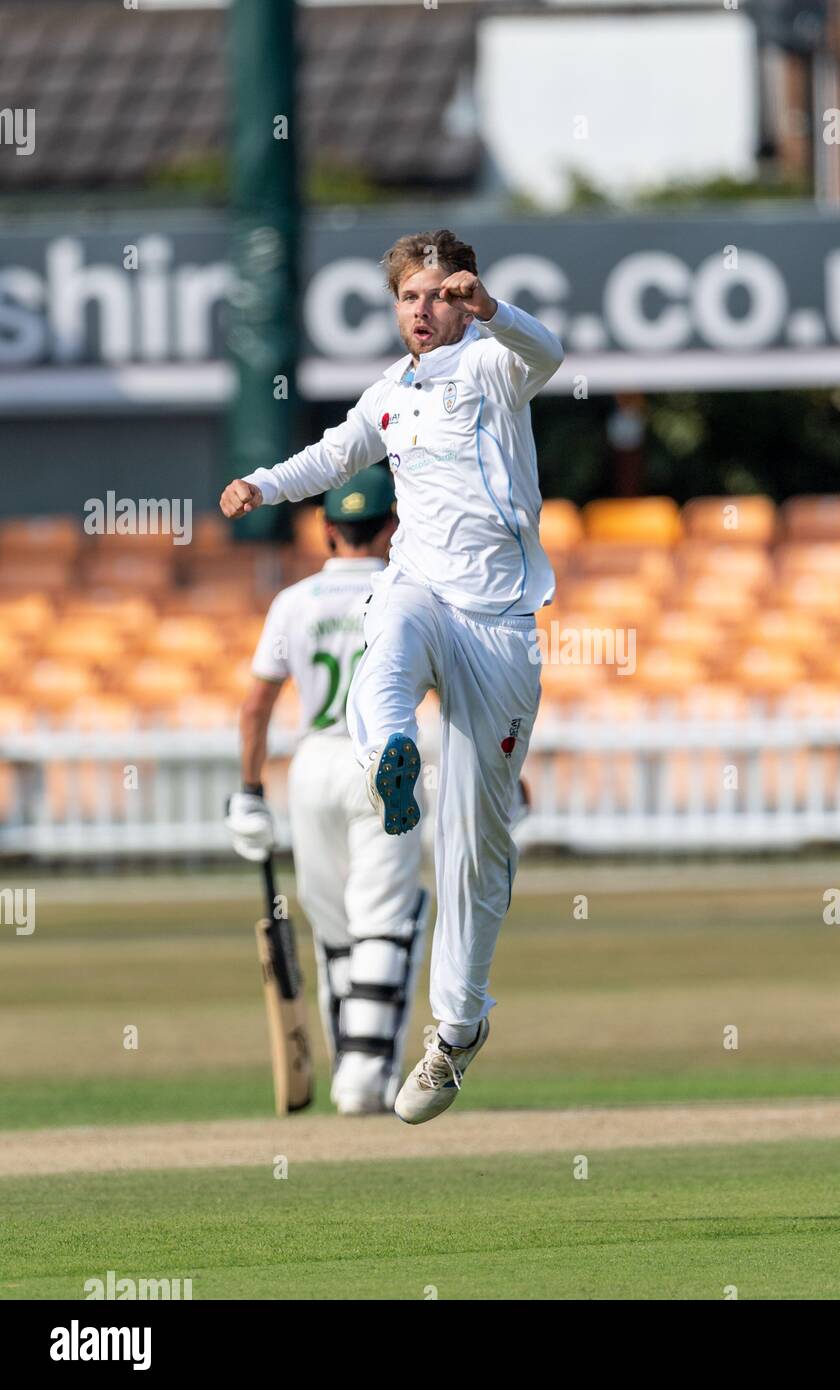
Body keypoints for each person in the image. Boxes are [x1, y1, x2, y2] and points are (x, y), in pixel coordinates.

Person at [220, 228, 563, 1123]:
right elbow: (331, 459)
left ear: (464, 297)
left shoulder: (495, 366)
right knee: (387, 647)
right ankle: (392, 759)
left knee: (479, 850)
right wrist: (261, 482)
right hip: (419, 586)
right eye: (410, 297)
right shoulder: (390, 395)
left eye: (439, 295)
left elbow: (549, 351)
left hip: (500, 623)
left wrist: (494, 311)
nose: (423, 311)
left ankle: (457, 1031)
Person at [225, 469, 427, 1114]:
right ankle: (363, 1076)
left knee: (336, 925)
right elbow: (456, 696)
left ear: (327, 529)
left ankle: (352, 1060)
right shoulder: (414, 596)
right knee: (384, 918)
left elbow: (256, 707)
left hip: (311, 764)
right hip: (384, 761)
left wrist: (249, 792)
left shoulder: (295, 601)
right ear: (392, 527)